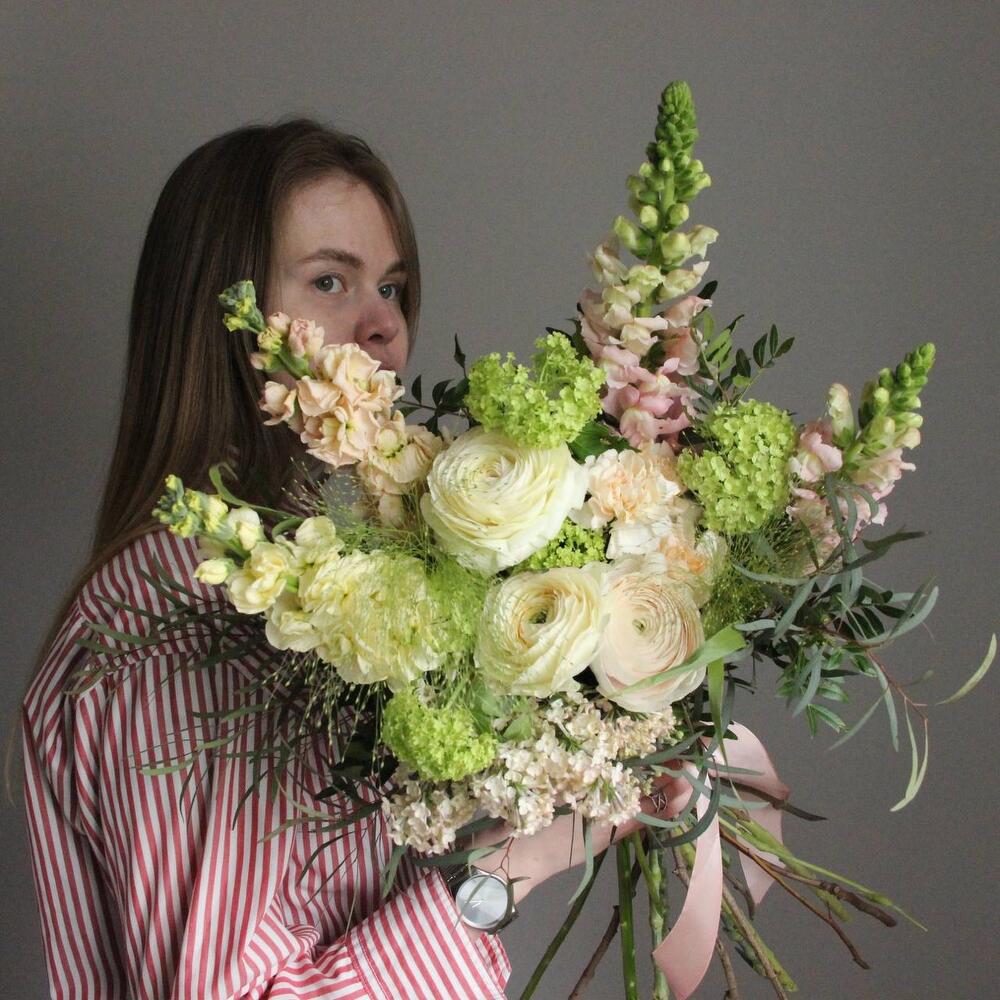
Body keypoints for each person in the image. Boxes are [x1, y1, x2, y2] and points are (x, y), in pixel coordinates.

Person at [20, 119, 670, 1000]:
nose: (384, 326)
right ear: (223, 314)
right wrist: (513, 865)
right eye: (329, 280)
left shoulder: (309, 587)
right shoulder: (176, 618)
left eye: (392, 287)